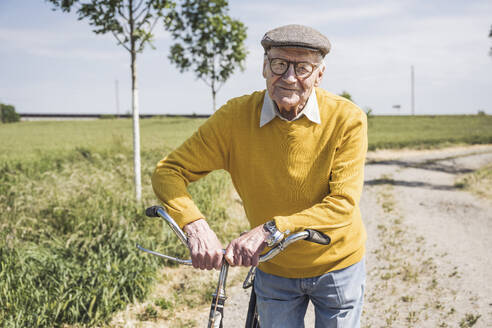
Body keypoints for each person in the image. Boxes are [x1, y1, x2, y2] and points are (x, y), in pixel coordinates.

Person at [152, 24, 367, 328]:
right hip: (274, 269)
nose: (289, 77)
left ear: (319, 74)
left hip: (337, 264)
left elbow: (343, 203)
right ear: (264, 67)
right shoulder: (235, 117)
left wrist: (270, 230)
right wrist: (194, 225)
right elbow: (168, 171)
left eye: (303, 67)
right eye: (279, 64)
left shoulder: (347, 119)